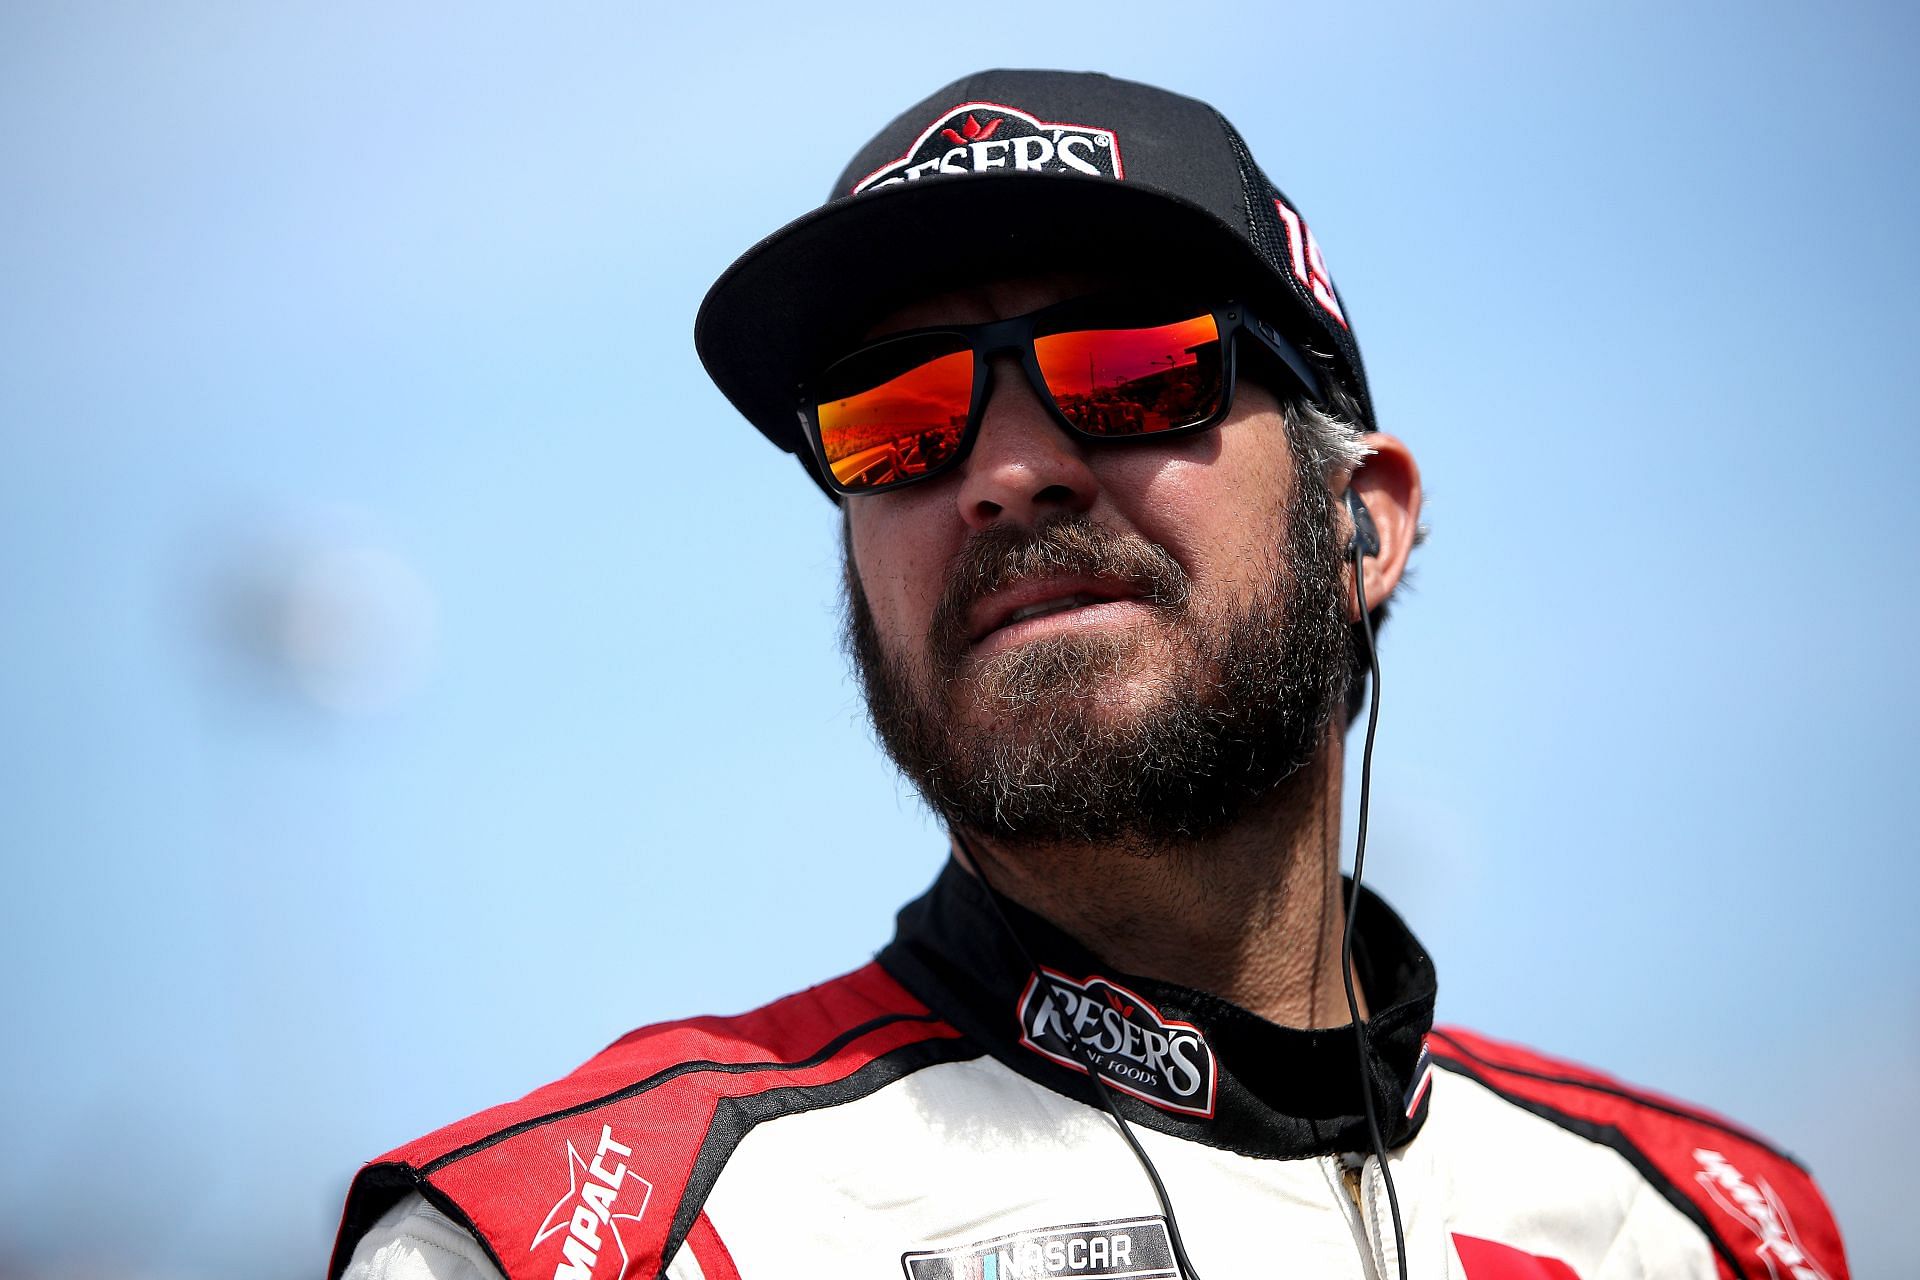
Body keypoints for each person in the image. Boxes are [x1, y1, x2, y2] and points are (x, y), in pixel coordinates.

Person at [330, 69, 1848, 1280]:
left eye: (1129, 369)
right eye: (894, 418)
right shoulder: (572, 1242)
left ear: (1361, 523)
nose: (1002, 470)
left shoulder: (1719, 1236)